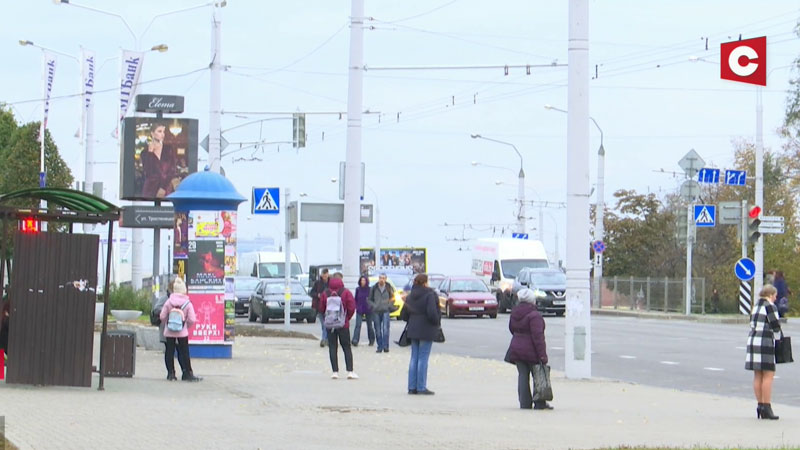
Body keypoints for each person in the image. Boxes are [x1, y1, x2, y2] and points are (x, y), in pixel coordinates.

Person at [506, 288, 551, 410]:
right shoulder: (535, 315)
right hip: (531, 351)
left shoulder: (514, 313)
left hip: (516, 348)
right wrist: (543, 356)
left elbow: (512, 329)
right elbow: (538, 337)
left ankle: (524, 403)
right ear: (532, 301)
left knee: (522, 375)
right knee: (538, 375)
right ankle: (539, 402)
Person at [745, 284, 782, 420]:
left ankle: (760, 405)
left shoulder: (755, 306)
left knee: (758, 374)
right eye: (775, 296)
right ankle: (767, 406)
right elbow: (775, 326)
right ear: (771, 294)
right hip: (765, 341)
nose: (775, 298)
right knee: (768, 374)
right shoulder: (770, 306)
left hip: (753, 340)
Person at [401, 274, 440, 395]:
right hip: (426, 329)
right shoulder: (430, 294)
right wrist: (437, 321)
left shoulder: (410, 295)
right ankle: (421, 387)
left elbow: (404, 315)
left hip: (413, 329)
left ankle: (412, 387)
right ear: (425, 283)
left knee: (414, 358)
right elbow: (432, 313)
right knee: (423, 358)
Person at [158, 277, 202, 382]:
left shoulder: (168, 302)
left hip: (169, 332)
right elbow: (192, 319)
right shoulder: (187, 303)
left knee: (169, 352)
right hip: (182, 332)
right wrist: (185, 326)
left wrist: (167, 323)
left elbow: (162, 316)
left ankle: (171, 374)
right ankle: (187, 373)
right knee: (184, 352)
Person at [319, 277, 357, 379]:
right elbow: (352, 307)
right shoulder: (346, 292)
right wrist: (346, 318)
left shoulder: (325, 293)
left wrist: (327, 318)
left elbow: (321, 308)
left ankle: (335, 372)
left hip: (330, 324)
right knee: (346, 347)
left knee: (332, 347)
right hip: (343, 324)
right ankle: (350, 371)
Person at [151, 279, 187, 376]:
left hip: (172, 329)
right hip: (168, 328)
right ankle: (172, 372)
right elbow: (156, 310)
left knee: (175, 351)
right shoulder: (165, 298)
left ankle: (177, 371)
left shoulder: (179, 299)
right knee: (173, 351)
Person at [140, 121, 178, 198]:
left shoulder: (168, 149)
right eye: (159, 131)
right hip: (150, 189)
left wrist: (163, 188)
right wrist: (150, 153)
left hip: (166, 187)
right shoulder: (144, 152)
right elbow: (147, 171)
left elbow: (172, 170)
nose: (162, 134)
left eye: (163, 132)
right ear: (152, 133)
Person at [368, 273, 395, 353]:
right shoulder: (374, 288)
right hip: (376, 311)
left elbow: (393, 298)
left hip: (386, 311)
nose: (381, 279)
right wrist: (374, 306)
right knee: (378, 330)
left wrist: (388, 305)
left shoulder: (389, 287)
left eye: (383, 278)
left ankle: (386, 346)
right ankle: (379, 347)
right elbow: (369, 300)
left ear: (386, 279)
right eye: (380, 278)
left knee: (386, 329)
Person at [352, 275, 375, 347]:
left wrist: (371, 306)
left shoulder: (370, 289)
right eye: (361, 280)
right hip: (360, 309)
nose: (363, 282)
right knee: (358, 325)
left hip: (368, 309)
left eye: (364, 280)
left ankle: (371, 340)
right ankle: (355, 340)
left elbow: (373, 299)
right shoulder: (358, 289)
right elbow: (355, 299)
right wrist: (355, 306)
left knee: (369, 326)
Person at [310, 269, 330, 347]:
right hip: (320, 306)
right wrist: (317, 295)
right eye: (323, 275)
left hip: (329, 306)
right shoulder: (318, 283)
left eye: (326, 275)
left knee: (327, 324)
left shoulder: (330, 283)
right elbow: (312, 292)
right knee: (324, 324)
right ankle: (325, 339)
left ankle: (325, 339)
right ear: (321, 275)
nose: (325, 277)